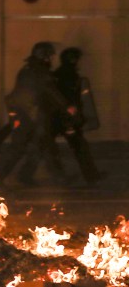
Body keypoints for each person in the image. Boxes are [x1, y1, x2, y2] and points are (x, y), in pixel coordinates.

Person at [0, 41, 71, 187]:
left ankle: (24, 176)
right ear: (44, 56)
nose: (52, 59)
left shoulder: (30, 69)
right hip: (27, 114)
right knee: (20, 147)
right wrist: (67, 106)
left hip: (28, 113)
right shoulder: (38, 71)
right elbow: (50, 91)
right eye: (50, 56)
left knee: (39, 145)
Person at [52, 47, 104, 185]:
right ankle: (92, 177)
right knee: (80, 147)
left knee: (47, 148)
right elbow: (68, 100)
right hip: (66, 119)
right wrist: (70, 121)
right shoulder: (68, 76)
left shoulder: (62, 74)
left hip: (62, 118)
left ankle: (92, 176)